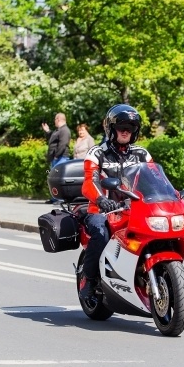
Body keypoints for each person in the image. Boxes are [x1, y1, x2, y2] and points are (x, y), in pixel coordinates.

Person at [78, 104, 152, 302]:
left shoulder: (142, 154)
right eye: (121, 127)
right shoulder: (97, 153)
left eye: (130, 127)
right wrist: (101, 199)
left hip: (133, 210)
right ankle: (89, 279)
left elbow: (154, 180)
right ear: (111, 129)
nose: (126, 131)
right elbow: (88, 183)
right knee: (101, 234)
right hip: (101, 211)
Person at [41, 113, 72, 203]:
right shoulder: (58, 130)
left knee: (59, 178)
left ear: (58, 119)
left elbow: (63, 144)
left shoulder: (65, 130)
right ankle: (55, 198)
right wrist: (47, 131)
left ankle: (60, 198)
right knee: (54, 179)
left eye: (55, 119)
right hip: (56, 158)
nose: (54, 121)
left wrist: (56, 155)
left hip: (60, 158)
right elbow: (52, 139)